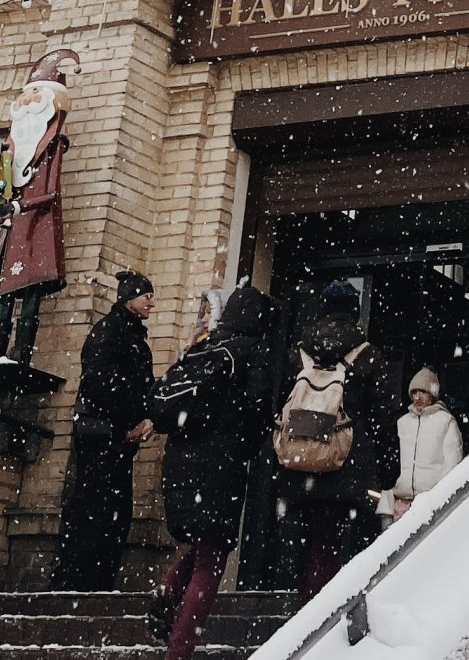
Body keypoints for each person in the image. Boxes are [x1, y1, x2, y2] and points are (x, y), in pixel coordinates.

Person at [147, 283, 276, 660]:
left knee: (205, 544)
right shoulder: (251, 354)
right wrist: (247, 449)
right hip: (219, 467)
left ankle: (168, 590)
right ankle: (179, 650)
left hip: (181, 462)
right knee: (212, 558)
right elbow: (257, 414)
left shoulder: (203, 348)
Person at [274, 279, 400, 599]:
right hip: (344, 467)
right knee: (331, 547)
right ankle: (315, 625)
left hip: (297, 463)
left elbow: (277, 406)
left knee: (299, 546)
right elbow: (383, 419)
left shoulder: (297, 353)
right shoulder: (368, 356)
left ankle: (296, 609)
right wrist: (388, 472)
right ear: (354, 313)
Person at [0, 47, 79, 362]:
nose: (28, 100)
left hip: (36, 228)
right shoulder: (10, 150)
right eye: (27, 93)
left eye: (36, 92)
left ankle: (21, 353)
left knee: (30, 286)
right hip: (10, 229)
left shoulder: (52, 148)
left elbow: (50, 194)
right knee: (5, 290)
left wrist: (20, 207)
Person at [54, 269, 157, 590]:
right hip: (102, 439)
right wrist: (126, 426)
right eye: (147, 296)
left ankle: (91, 586)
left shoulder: (127, 333)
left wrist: (146, 419)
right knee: (96, 514)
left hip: (112, 440)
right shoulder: (111, 332)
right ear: (129, 298)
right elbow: (103, 386)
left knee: (109, 515)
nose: (152, 304)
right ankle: (78, 587)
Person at [381, 367, 465, 525]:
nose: (417, 397)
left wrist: (440, 500)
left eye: (422, 392)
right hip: (401, 505)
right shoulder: (402, 423)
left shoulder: (446, 422)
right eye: (414, 392)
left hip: (430, 506)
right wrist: (386, 508)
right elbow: (390, 467)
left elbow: (452, 466)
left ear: (432, 394)